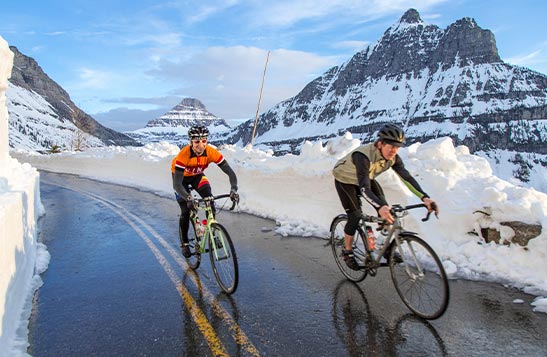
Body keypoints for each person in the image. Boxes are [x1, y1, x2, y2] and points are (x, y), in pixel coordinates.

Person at [332, 124, 439, 270]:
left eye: (397, 147)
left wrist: (425, 198)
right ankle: (348, 251)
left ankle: (387, 248)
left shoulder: (394, 158)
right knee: (355, 216)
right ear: (380, 143)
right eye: (390, 146)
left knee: (387, 210)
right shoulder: (362, 156)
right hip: (345, 180)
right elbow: (364, 189)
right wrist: (379, 207)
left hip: (365, 179)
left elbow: (406, 178)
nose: (394, 150)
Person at [171, 125, 239, 258]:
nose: (200, 145)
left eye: (204, 141)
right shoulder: (183, 155)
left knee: (210, 201)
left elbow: (230, 173)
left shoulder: (211, 152)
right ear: (191, 142)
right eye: (197, 142)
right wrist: (188, 198)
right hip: (181, 180)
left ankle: (212, 234)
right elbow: (177, 185)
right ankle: (185, 243)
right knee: (186, 210)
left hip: (197, 176)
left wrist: (234, 189)